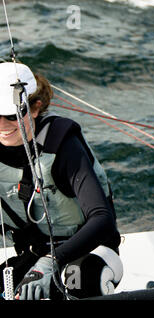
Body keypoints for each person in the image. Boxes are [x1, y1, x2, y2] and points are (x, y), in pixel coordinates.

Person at [0, 62, 123, 299]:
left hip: (89, 252)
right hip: (33, 255)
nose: (2, 125)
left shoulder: (63, 145)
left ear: (35, 108)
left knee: (79, 278)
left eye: (11, 115)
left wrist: (52, 261)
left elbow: (103, 218)